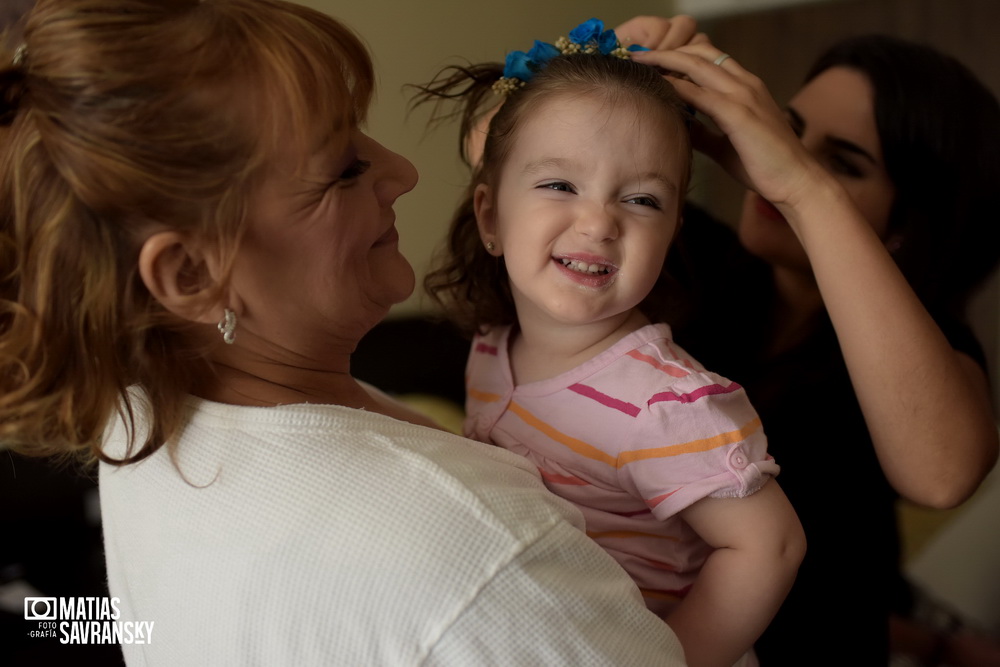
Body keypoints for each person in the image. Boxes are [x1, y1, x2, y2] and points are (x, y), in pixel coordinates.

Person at [0, 1, 692, 664]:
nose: (404, 172)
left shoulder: (137, 416)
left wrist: (578, 131)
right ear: (188, 272)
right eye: (345, 169)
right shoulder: (486, 551)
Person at [609, 16, 1000, 666]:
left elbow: (942, 472)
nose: (779, 164)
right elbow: (510, 163)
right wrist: (618, 63)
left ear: (910, 220)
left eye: (842, 163)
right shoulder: (691, 257)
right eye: (788, 131)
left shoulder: (927, 343)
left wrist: (799, 184)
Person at [418, 19, 806, 667]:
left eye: (642, 199)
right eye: (560, 185)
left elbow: (772, 545)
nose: (599, 222)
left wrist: (673, 656)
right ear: (490, 216)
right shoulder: (492, 348)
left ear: (674, 230)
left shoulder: (663, 403)